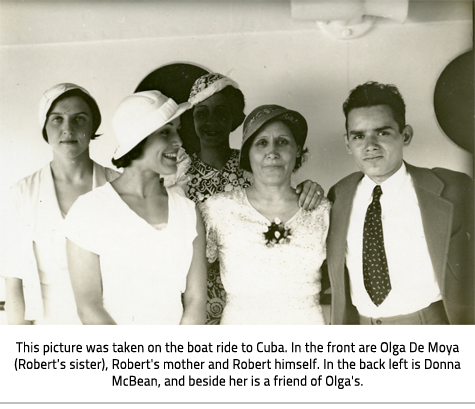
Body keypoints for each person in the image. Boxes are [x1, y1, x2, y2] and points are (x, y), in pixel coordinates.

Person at [326, 81, 474, 325]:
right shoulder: (338, 195)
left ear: (405, 135)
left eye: (382, 132)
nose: (370, 146)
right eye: (359, 136)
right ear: (347, 143)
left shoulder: (452, 188)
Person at [185, 73, 325, 324]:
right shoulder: (178, 177)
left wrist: (308, 189)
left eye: (282, 142)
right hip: (210, 312)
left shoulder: (314, 205)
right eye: (202, 113)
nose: (271, 152)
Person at [64, 91, 207, 325]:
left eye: (177, 130)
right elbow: (88, 306)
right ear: (141, 139)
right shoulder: (89, 210)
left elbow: (196, 299)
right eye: (165, 132)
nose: (178, 142)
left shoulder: (188, 211)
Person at [2, 83, 119, 325]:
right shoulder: (22, 194)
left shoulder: (118, 184)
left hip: (112, 324)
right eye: (57, 119)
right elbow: (15, 283)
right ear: (45, 127)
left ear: (93, 125)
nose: (67, 129)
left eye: (79, 119)